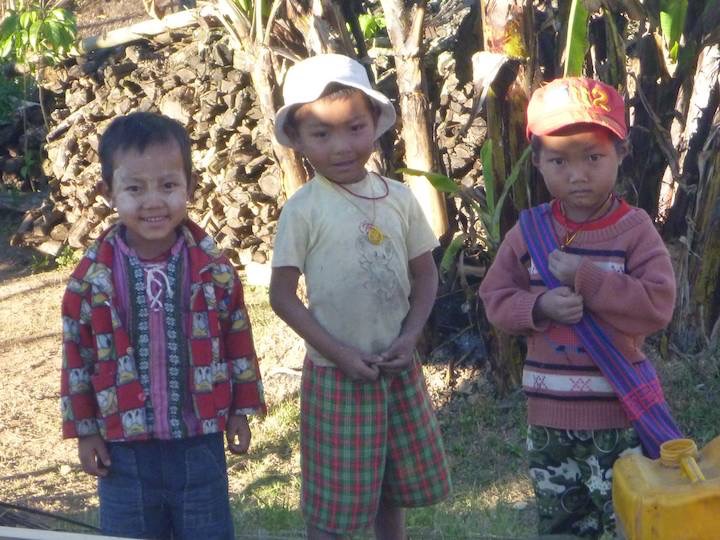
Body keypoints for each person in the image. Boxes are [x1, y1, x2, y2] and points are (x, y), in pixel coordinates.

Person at [479, 77, 680, 538]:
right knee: (561, 525)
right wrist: (540, 306)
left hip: (620, 419)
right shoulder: (528, 232)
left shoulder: (634, 231)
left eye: (593, 157)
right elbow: (494, 299)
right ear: (538, 162)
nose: (577, 174)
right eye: (559, 160)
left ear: (620, 153)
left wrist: (586, 280)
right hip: (549, 423)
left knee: (628, 524)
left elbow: (656, 305)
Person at [268, 53, 451, 540]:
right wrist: (340, 354)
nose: (341, 146)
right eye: (321, 134)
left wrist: (411, 337)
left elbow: (426, 276)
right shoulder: (303, 209)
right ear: (300, 140)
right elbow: (282, 297)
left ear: (375, 123)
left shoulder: (399, 197)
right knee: (334, 505)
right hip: (336, 376)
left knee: (390, 490)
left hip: (395, 367)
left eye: (354, 128)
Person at [60, 111, 265, 540]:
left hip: (199, 440)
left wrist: (240, 413)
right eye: (135, 188)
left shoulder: (213, 271)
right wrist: (86, 433)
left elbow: (237, 341)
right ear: (109, 192)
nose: (153, 201)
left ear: (189, 187)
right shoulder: (90, 279)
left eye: (168, 186)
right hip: (122, 449)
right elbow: (76, 359)